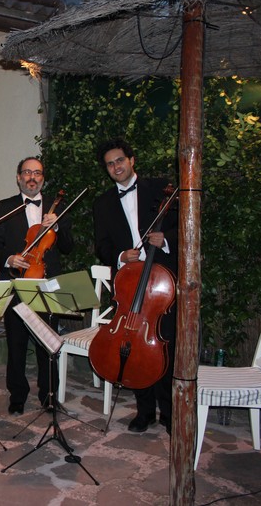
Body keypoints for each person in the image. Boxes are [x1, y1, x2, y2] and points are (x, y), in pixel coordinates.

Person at [93, 138, 177, 435]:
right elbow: (101, 245)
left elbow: (184, 224)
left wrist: (165, 239)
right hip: (129, 283)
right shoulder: (103, 203)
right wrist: (119, 256)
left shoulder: (161, 188)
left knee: (165, 346)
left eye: (120, 160)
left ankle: (169, 411)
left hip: (161, 283)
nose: (116, 167)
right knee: (132, 344)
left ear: (132, 160)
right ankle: (145, 411)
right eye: (110, 164)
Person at [0, 157, 74, 415]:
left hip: (47, 283)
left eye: (37, 173)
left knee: (48, 342)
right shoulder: (6, 206)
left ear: (42, 178)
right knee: (16, 343)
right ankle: (17, 396)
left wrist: (57, 225)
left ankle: (49, 395)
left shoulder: (57, 207)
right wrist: (9, 259)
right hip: (17, 282)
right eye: (27, 172)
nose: (32, 177)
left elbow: (68, 247)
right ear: (18, 177)